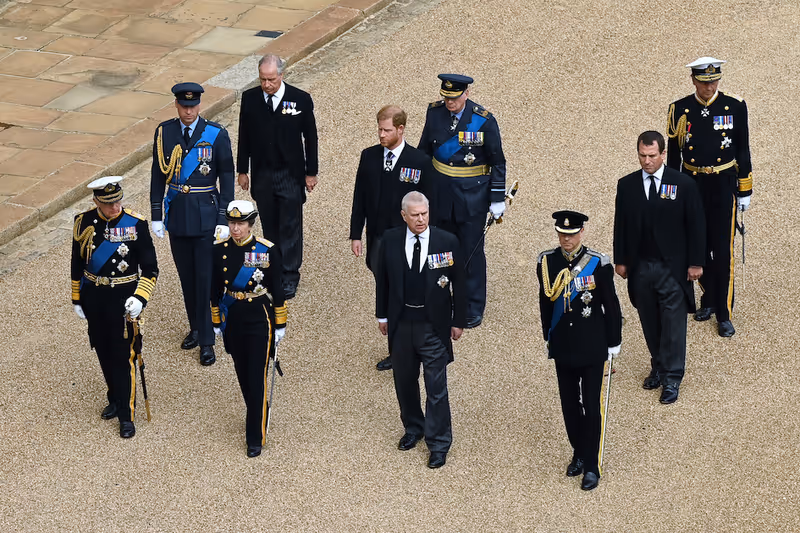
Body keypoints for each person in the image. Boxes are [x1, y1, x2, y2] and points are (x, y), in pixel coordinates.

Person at [375, 191, 466, 468]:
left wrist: (458, 320)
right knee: (404, 381)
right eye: (414, 215)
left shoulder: (447, 241)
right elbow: (384, 281)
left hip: (433, 327)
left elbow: (460, 283)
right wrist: (382, 316)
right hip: (401, 325)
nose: (420, 219)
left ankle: (438, 443)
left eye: (424, 214)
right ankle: (414, 427)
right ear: (404, 216)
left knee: (436, 387)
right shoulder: (389, 240)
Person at [614, 131, 706, 404]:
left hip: (673, 268)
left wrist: (696, 263)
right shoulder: (627, 185)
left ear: (663, 154)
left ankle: (672, 377)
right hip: (641, 268)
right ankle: (658, 364)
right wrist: (621, 259)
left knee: (673, 325)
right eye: (642, 156)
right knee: (650, 321)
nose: (647, 161)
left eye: (652, 156)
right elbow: (621, 225)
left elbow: (696, 225)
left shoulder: (683, 184)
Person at [666, 57, 753, 337]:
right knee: (697, 248)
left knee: (722, 250)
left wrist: (745, 188)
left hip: (723, 184)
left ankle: (724, 312)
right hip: (692, 184)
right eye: (704, 82)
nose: (709, 87)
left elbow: (742, 149)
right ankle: (710, 296)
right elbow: (673, 156)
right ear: (693, 80)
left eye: (713, 81)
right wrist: (671, 192)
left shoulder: (735, 106)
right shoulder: (680, 109)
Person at [537, 210, 622, 491]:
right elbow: (545, 304)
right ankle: (579, 450)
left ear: (581, 233)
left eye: (571, 235)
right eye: (562, 234)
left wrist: (614, 341)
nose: (566, 239)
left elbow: (611, 305)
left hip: (592, 345)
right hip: (563, 346)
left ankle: (592, 465)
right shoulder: (547, 261)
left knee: (592, 407)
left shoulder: (597, 263)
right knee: (570, 406)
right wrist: (548, 337)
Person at [150, 82, 234, 366]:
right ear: (176, 105)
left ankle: (208, 340)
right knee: (187, 277)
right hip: (177, 215)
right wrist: (156, 214)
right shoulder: (165, 132)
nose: (189, 111)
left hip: (206, 215)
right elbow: (156, 175)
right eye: (184, 106)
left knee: (205, 277)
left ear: (199, 105)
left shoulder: (216, 134)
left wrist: (224, 217)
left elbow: (227, 176)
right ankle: (196, 328)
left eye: (193, 106)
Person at [349, 105, 436, 371]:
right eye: (379, 129)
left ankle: (410, 349)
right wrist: (356, 234)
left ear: (400, 129)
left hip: (406, 240)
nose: (381, 135)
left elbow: (430, 204)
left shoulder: (419, 161)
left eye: (387, 130)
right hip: (377, 239)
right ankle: (397, 351)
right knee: (385, 291)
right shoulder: (369, 156)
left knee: (405, 292)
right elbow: (359, 198)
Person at [71, 176, 158, 438]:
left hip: (124, 299)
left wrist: (140, 298)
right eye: (109, 203)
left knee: (124, 356)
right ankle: (115, 396)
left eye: (118, 201)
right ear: (96, 201)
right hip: (95, 298)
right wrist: (77, 297)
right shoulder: (83, 222)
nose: (115, 207)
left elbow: (151, 268)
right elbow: (77, 262)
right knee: (103, 350)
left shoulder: (136, 224)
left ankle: (126, 414)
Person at [417, 74, 506, 328]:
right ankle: (441, 298)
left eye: (454, 98)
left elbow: (497, 161)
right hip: (439, 194)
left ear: (465, 94)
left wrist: (496, 198)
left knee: (471, 251)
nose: (449, 103)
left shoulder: (484, 121)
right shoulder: (434, 114)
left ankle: (471, 305)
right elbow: (425, 151)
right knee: (440, 249)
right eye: (446, 97)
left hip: (472, 197)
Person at [237, 54, 319, 299]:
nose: (267, 85)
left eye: (271, 79)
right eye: (263, 80)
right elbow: (244, 135)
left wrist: (311, 172)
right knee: (270, 226)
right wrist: (243, 170)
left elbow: (311, 138)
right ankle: (273, 270)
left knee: (290, 226)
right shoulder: (250, 99)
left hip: (290, 174)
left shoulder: (300, 99)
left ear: (281, 75)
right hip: (262, 174)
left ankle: (290, 275)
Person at [210, 200, 287, 458]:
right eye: (232, 223)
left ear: (250, 224)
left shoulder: (267, 250)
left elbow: (278, 289)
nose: (235, 229)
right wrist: (216, 321)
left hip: (258, 318)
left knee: (256, 377)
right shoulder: (218, 250)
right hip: (233, 318)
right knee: (243, 374)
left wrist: (280, 324)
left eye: (240, 223)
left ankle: (255, 435)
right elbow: (214, 289)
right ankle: (257, 409)